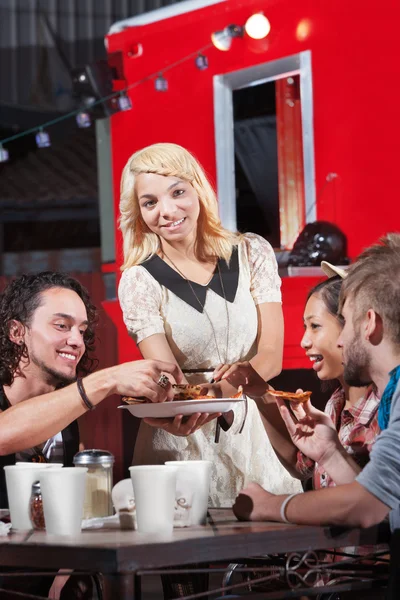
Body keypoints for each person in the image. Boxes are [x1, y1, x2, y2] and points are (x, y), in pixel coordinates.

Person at [118, 142, 301, 510]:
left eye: (178, 192)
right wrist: (200, 402)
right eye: (150, 202)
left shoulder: (252, 252)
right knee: (189, 560)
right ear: (139, 213)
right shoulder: (139, 280)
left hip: (257, 428)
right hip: (182, 435)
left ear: (198, 190)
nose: (166, 211)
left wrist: (229, 386)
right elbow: (168, 377)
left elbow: (271, 357)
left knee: (272, 560)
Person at [0, 271, 182, 599]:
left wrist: (68, 570)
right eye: (62, 326)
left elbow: (77, 509)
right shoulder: (77, 396)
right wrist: (103, 381)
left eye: (82, 330)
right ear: (17, 331)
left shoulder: (68, 417)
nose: (76, 341)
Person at [233, 232, 400, 534]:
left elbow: (368, 505)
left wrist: (269, 506)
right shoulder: (384, 398)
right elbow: (386, 506)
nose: (343, 338)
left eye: (345, 321)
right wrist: (331, 454)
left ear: (371, 323)